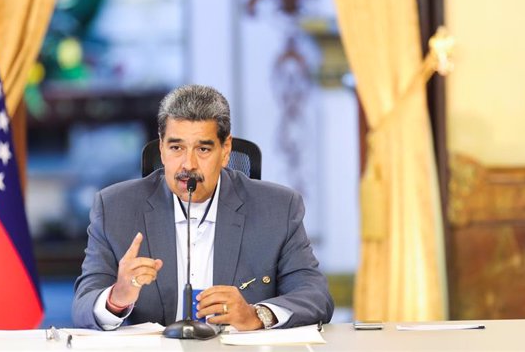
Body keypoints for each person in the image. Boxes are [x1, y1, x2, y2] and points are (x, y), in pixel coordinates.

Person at [72, 84, 334, 331]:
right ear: (161, 148)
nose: (189, 164)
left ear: (226, 149)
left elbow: (315, 296)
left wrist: (256, 315)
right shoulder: (115, 208)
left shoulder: (277, 208)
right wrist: (117, 298)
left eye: (203, 149)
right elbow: (83, 304)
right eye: (176, 147)